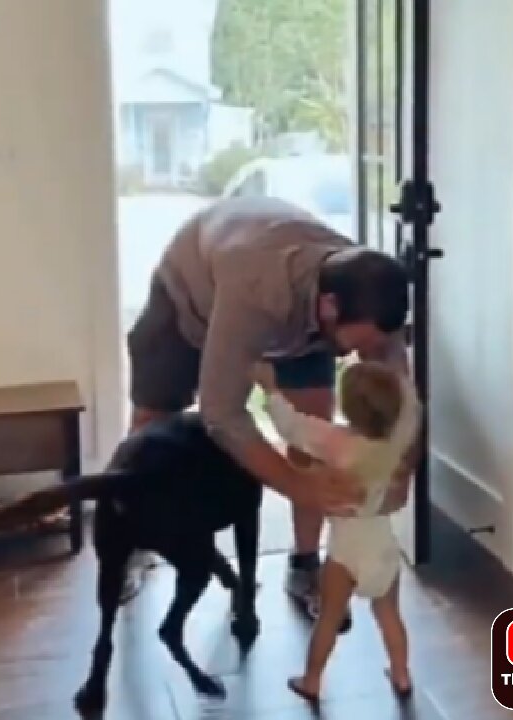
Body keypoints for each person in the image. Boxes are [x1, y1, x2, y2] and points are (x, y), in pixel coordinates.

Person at [120, 195, 419, 625]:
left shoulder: (365, 295)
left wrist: (402, 469)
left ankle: (304, 565)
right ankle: (133, 541)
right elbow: (222, 413)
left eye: (377, 345)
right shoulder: (257, 290)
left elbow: (400, 396)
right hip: (190, 295)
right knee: (151, 432)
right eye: (364, 345)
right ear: (331, 307)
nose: (368, 355)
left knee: (314, 434)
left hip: (300, 314)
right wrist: (298, 486)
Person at [256, 360, 420, 702]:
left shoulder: (334, 442)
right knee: (389, 614)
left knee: (328, 618)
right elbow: (412, 409)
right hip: (382, 545)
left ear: (347, 406)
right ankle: (402, 674)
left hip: (345, 549)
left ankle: (312, 680)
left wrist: (270, 389)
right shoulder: (395, 447)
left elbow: (292, 427)